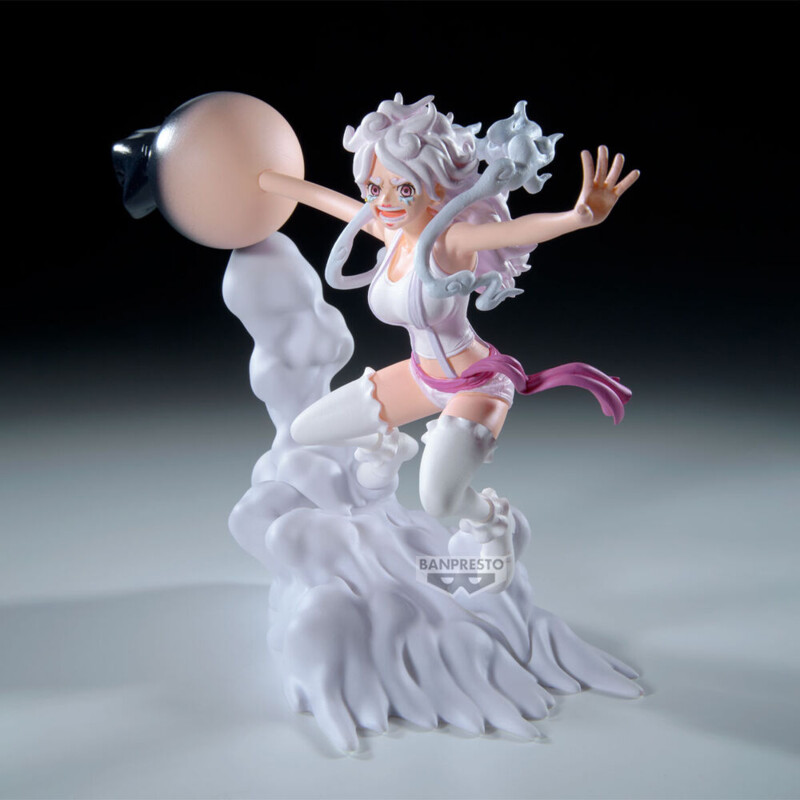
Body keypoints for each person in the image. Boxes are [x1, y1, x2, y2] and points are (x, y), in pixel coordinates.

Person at [258, 94, 639, 591]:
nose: (385, 200)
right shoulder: (390, 233)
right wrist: (263, 180)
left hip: (477, 383)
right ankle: (386, 446)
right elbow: (329, 201)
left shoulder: (451, 243)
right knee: (308, 429)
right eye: (375, 186)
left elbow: (519, 229)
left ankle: (492, 523)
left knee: (439, 501)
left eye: (404, 187)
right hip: (421, 377)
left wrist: (577, 218)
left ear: (437, 186)